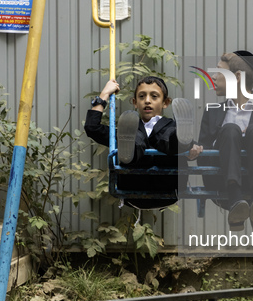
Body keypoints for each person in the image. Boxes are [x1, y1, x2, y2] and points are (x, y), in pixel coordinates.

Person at [195, 51, 253, 233]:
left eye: (219, 72)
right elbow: (204, 155)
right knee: (230, 130)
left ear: (237, 77)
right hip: (222, 182)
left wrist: (251, 137)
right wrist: (196, 150)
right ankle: (235, 200)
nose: (213, 77)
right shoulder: (212, 111)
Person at [85, 76, 199, 209]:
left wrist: (193, 149)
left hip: (168, 186)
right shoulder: (126, 129)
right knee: (135, 135)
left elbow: (193, 150)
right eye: (142, 96)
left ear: (166, 102)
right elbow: (92, 128)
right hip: (134, 187)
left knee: (170, 134)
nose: (147, 101)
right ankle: (132, 149)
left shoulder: (171, 127)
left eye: (154, 96)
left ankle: (178, 141)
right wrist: (104, 94)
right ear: (135, 102)